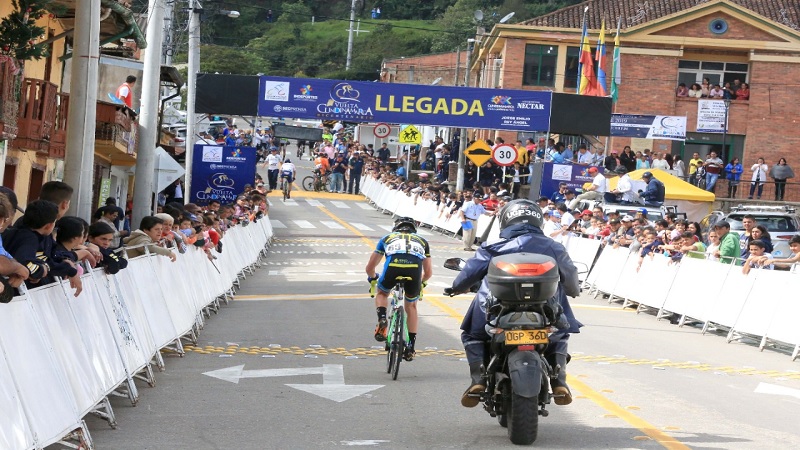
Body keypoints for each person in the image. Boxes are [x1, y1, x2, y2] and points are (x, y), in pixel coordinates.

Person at [449, 200, 581, 407]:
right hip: (547, 309)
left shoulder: (493, 246)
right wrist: (573, 291)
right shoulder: (553, 247)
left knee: (473, 335)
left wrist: (456, 288)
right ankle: (558, 381)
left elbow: (469, 273)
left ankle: (479, 379)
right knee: (560, 334)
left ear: (506, 220)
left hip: (493, 310)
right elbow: (571, 278)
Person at [365, 217, 432, 361]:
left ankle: (382, 319)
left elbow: (370, 267)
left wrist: (372, 277)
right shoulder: (422, 241)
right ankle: (411, 347)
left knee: (382, 293)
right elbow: (428, 273)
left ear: (395, 228)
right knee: (412, 306)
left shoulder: (387, 238)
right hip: (414, 271)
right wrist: (422, 283)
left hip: (392, 268)